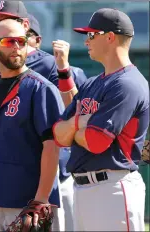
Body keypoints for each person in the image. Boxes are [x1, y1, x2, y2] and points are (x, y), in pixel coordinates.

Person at [0, 2, 87, 230]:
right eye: (8, 41)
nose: (16, 47)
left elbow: (53, 143)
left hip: (34, 198)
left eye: (21, 41)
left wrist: (40, 199)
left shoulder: (44, 83)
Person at [52, 8, 149, 231]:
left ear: (110, 37)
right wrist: (78, 123)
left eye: (91, 35)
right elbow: (58, 135)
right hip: (83, 190)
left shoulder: (128, 84)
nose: (87, 41)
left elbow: (96, 142)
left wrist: (73, 129)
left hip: (113, 188)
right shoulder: (92, 83)